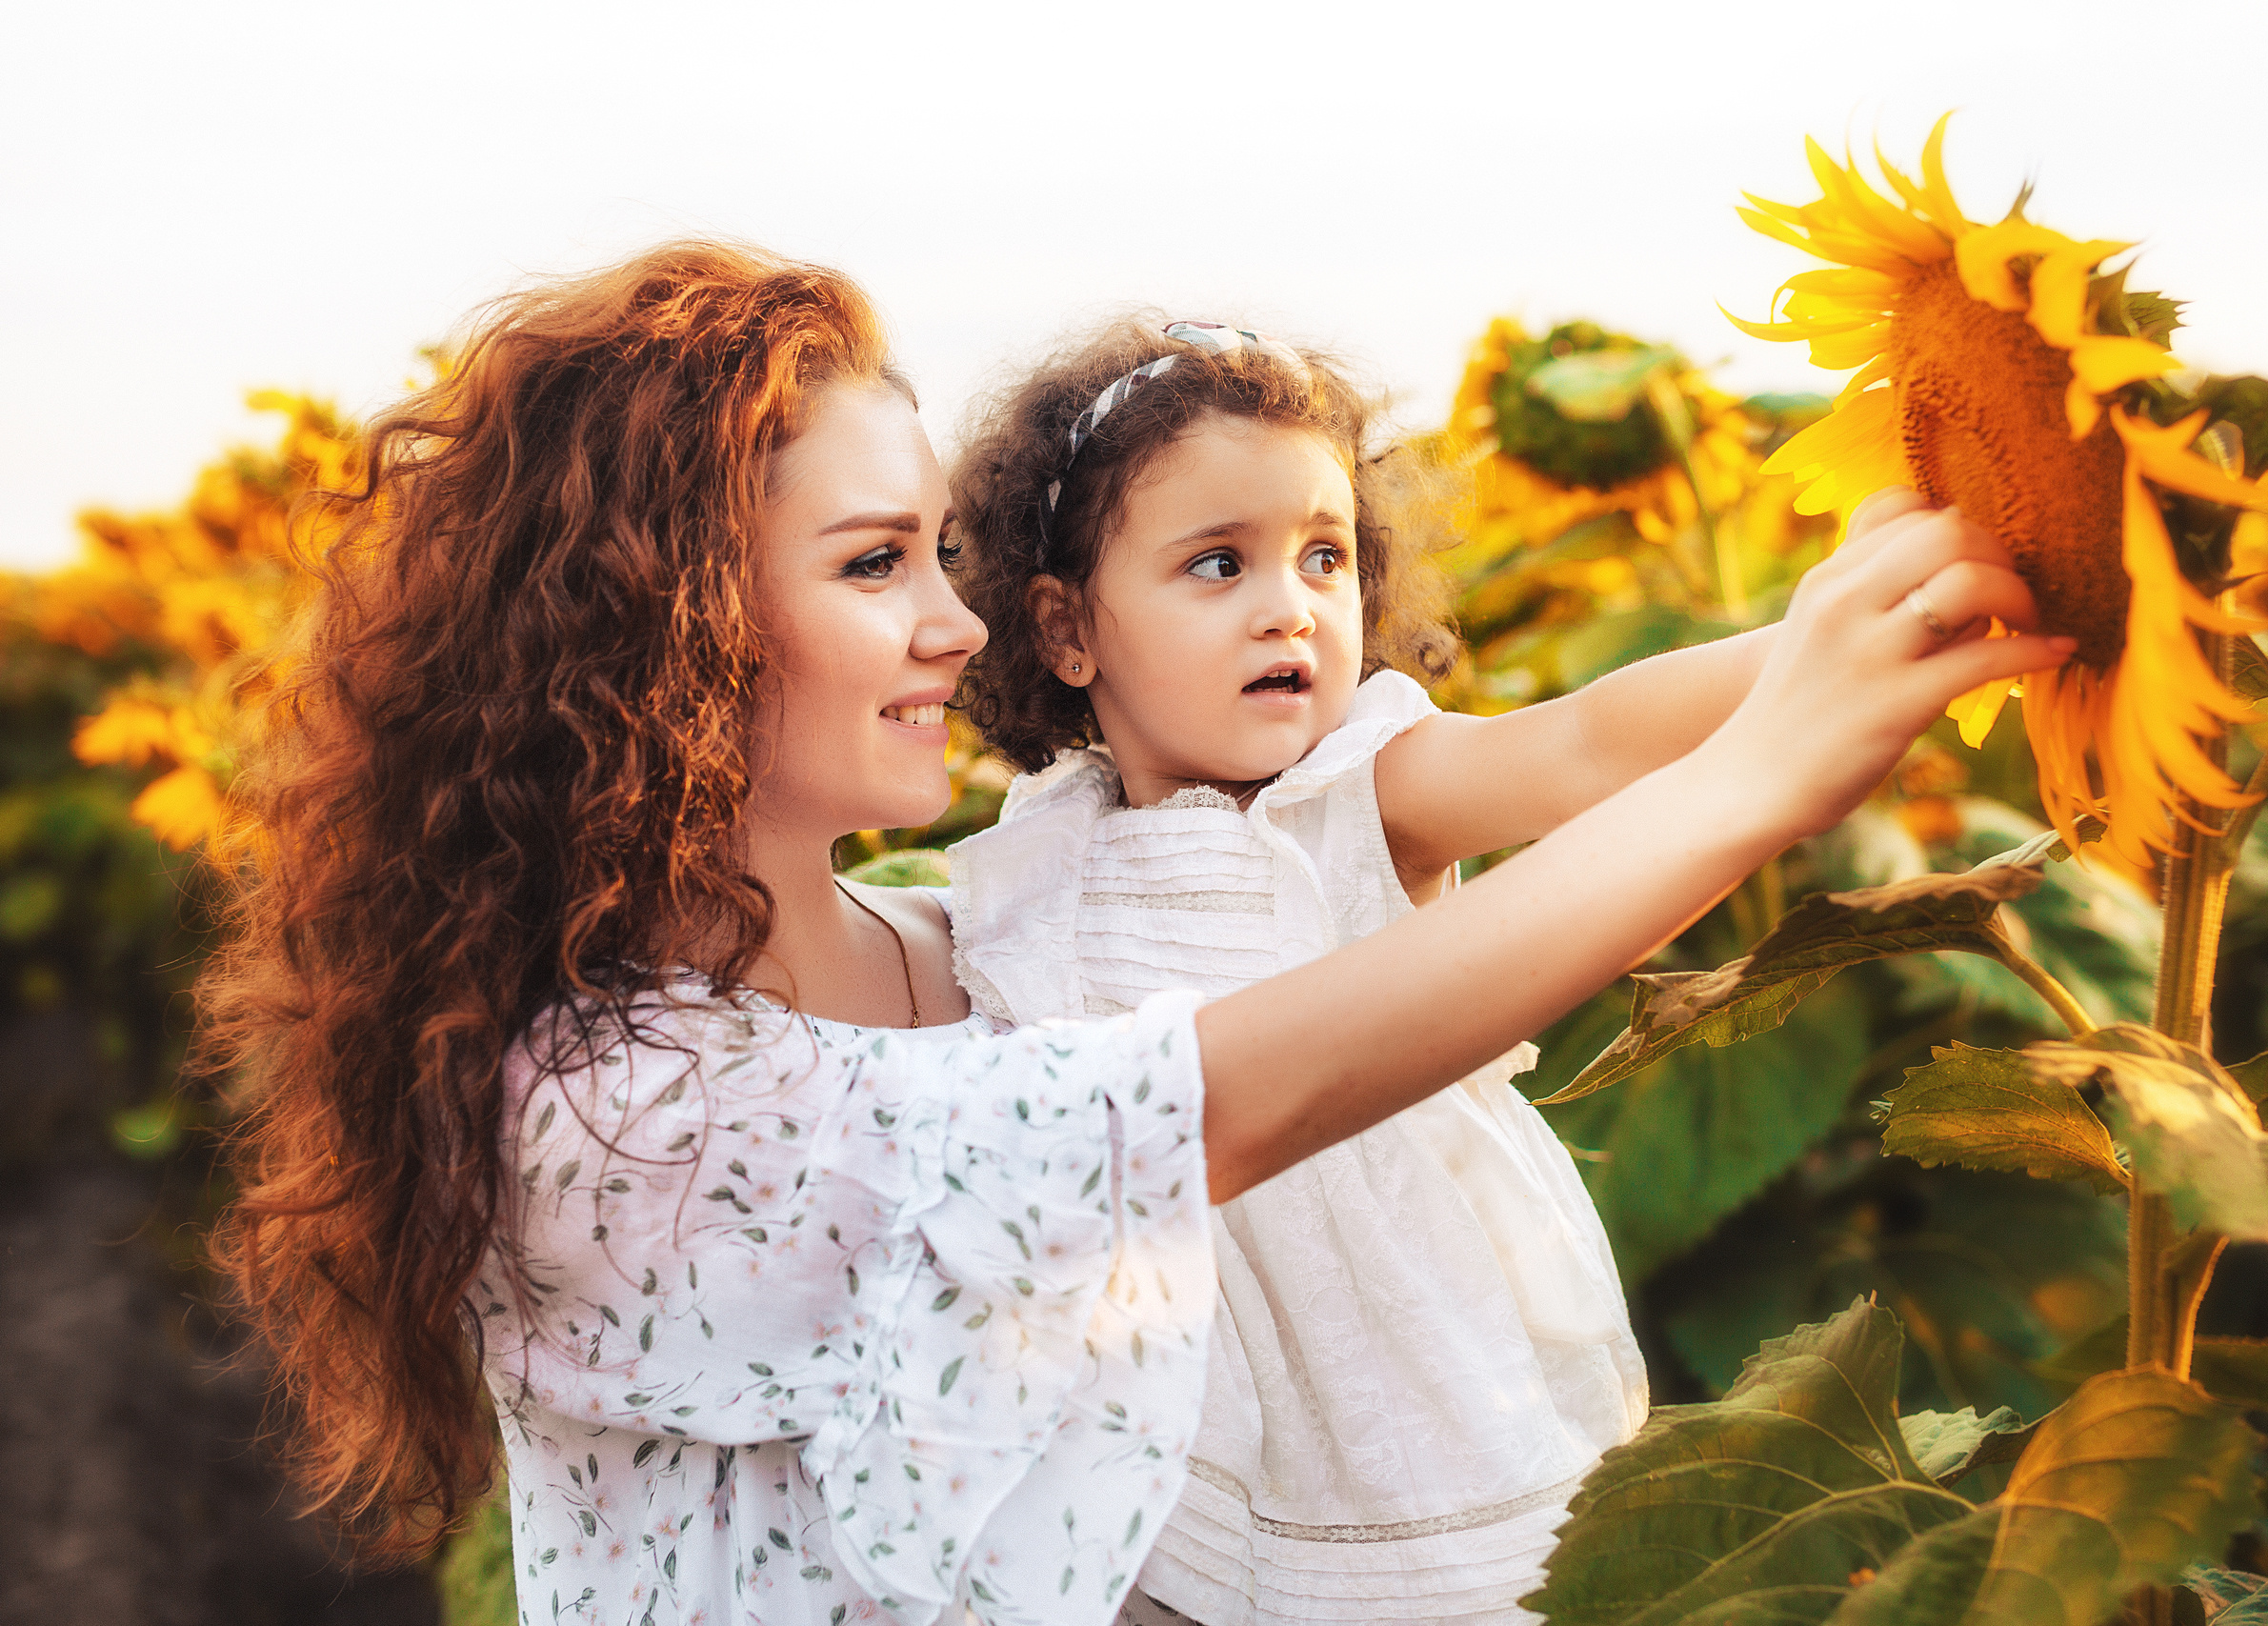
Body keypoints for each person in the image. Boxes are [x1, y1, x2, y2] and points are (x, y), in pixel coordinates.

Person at [201, 242, 2069, 1626]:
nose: (953, 627)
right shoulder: (620, 1115)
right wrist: (1759, 774)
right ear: (656, 627)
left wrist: (1931, 580)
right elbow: (1232, 1092)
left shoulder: (951, 943)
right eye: (871, 565)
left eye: (935, 553)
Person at [942, 316, 1789, 1623]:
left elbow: (1581, 746)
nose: (1290, 604)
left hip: (1403, 1383)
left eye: (1324, 557)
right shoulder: (1041, 852)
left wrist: (1820, 653)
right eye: (1218, 564)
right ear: (1066, 631)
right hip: (1162, 1402)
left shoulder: (1358, 792)